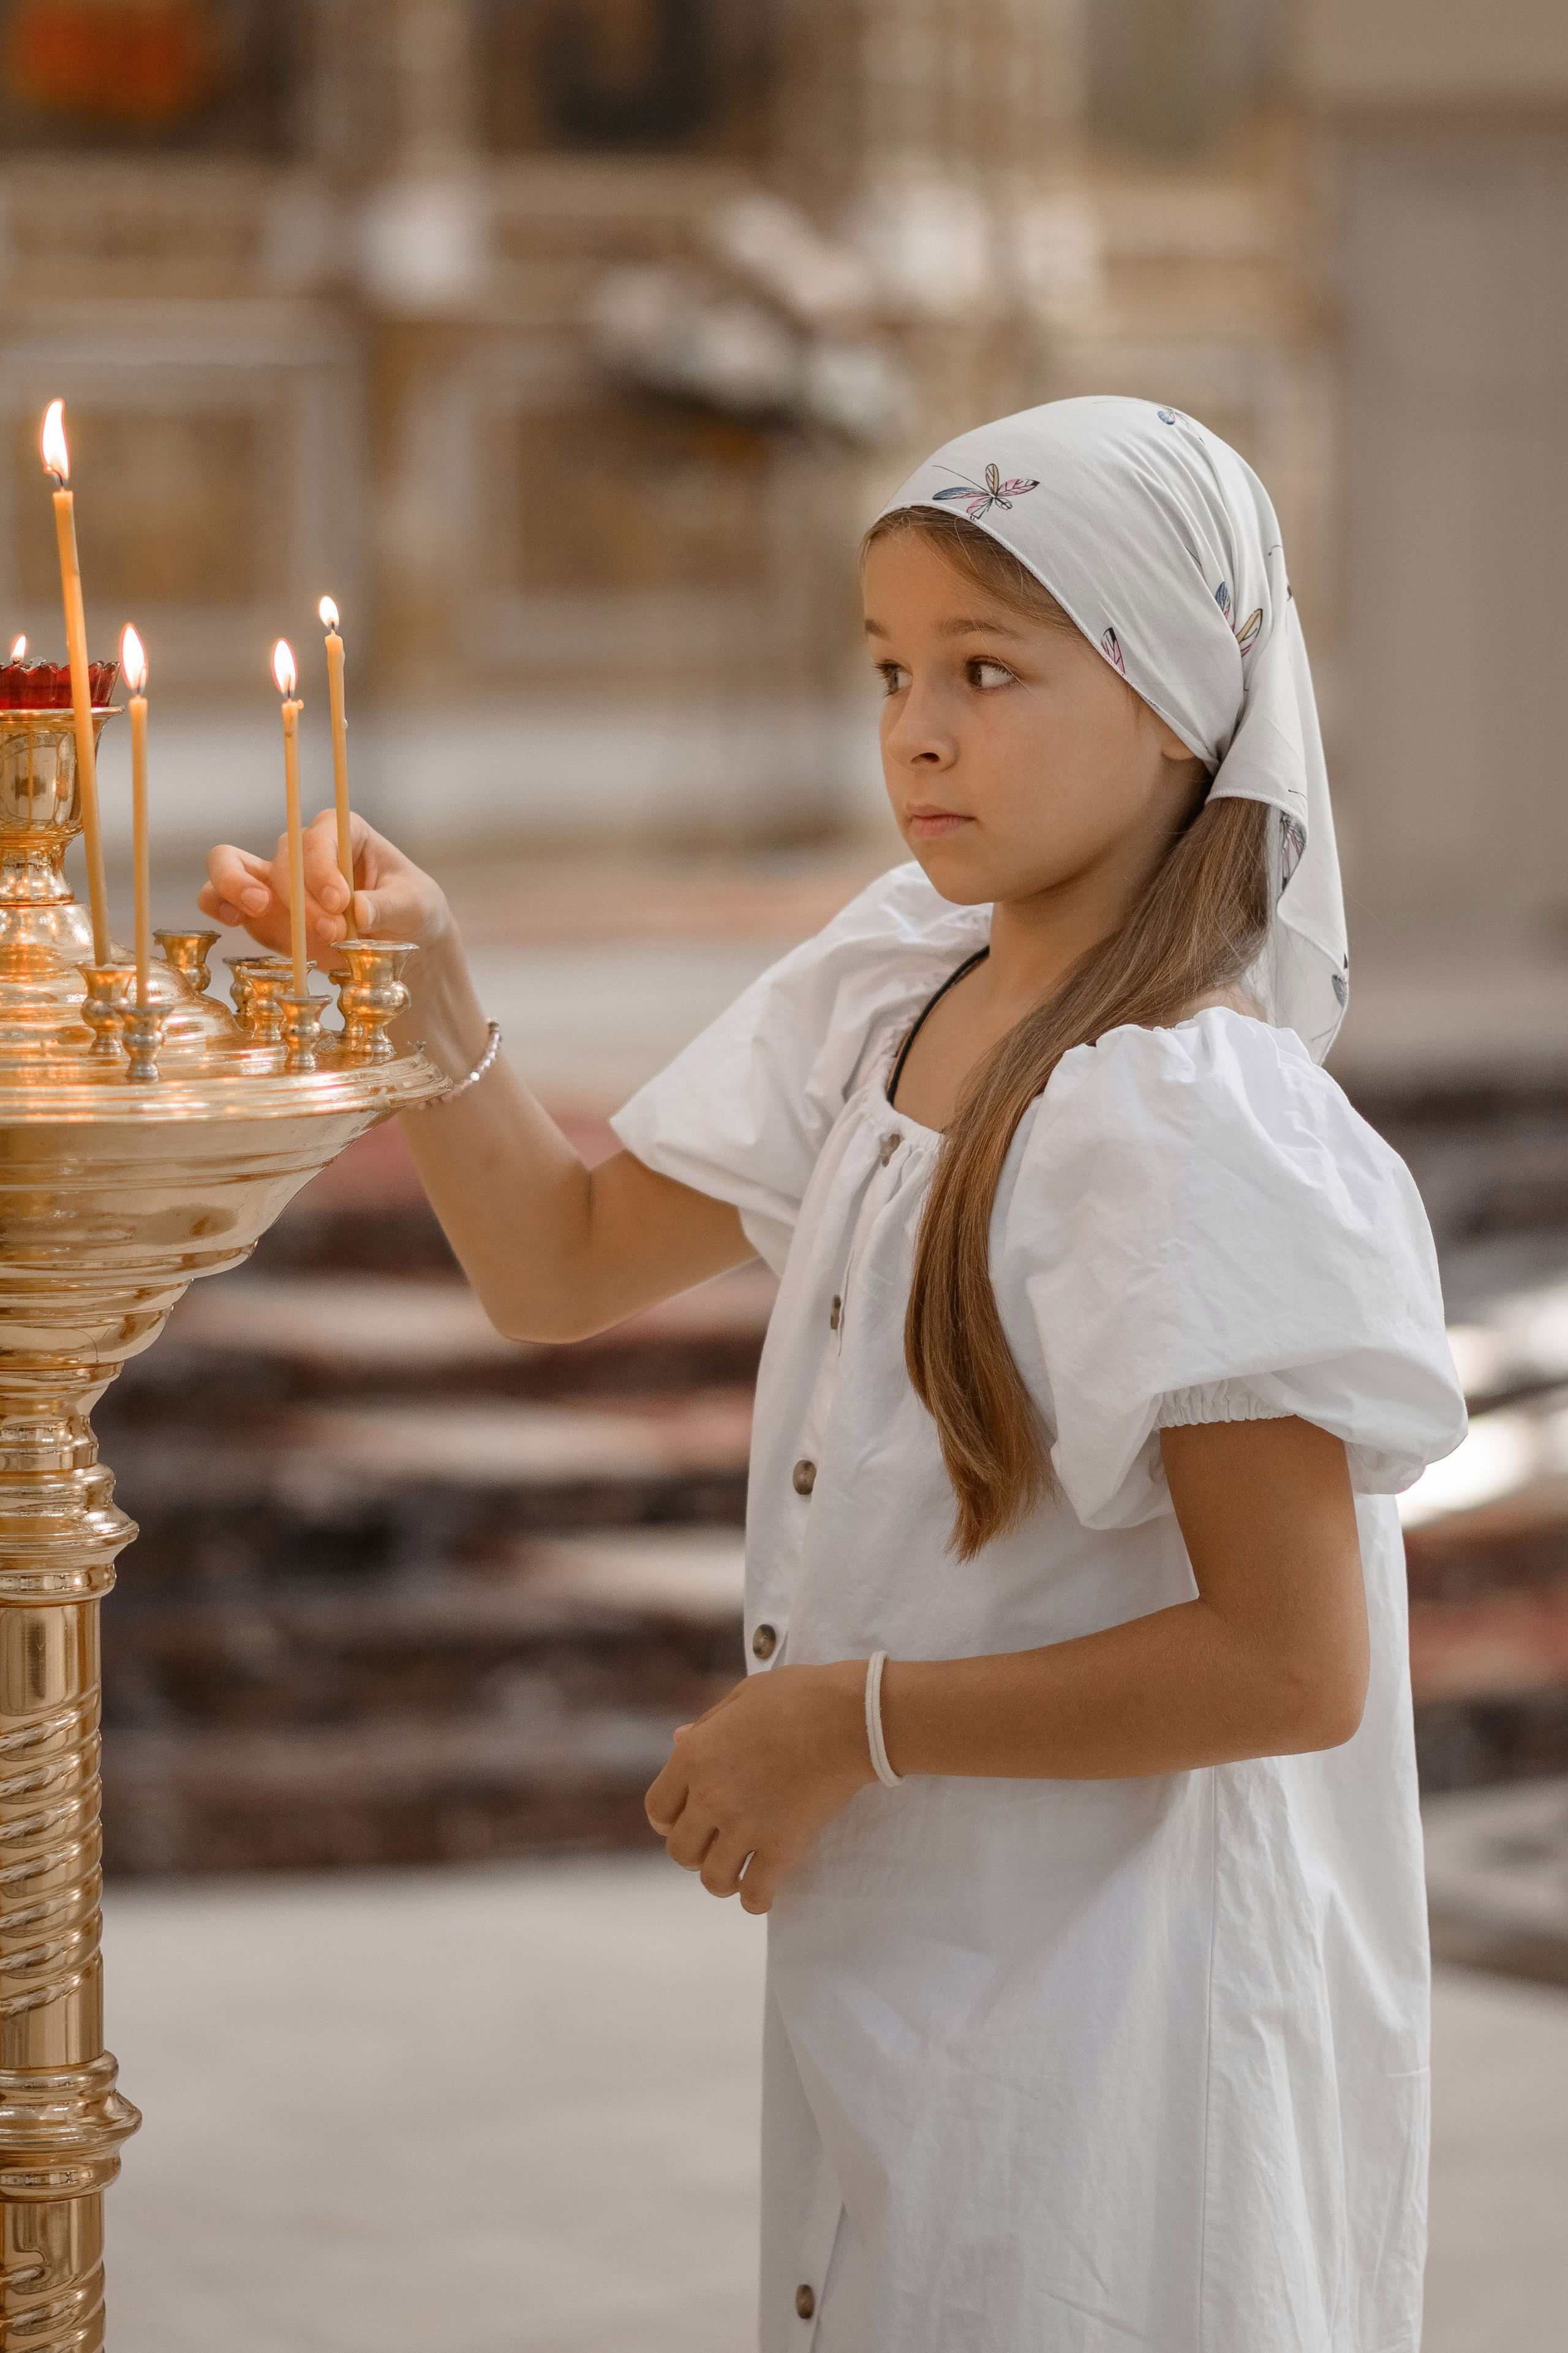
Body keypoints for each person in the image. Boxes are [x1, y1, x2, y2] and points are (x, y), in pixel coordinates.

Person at [202, 397, 1467, 2353]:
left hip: (1124, 2009)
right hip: (919, 1953)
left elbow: (1293, 1665)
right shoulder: (899, 986)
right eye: (891, 670)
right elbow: (559, 1262)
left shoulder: (1190, 1115)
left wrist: (840, 1722)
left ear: (1174, 701)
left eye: (988, 671)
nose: (917, 733)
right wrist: (426, 986)